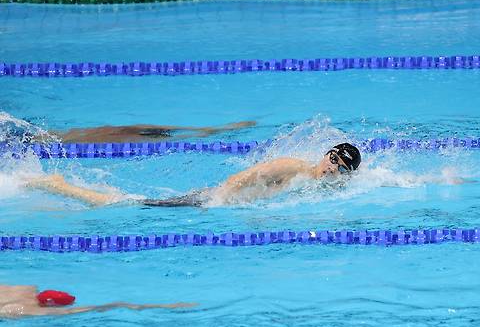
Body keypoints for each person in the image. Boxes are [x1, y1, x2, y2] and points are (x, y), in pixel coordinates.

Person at [26, 143, 364, 207]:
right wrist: (218, 201)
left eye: (340, 167)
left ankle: (58, 197)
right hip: (210, 201)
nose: (331, 166)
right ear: (325, 153)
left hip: (218, 204)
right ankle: (59, 186)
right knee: (123, 205)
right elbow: (246, 176)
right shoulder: (294, 166)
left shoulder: (315, 186)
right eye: (332, 158)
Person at [0, 285, 194, 318]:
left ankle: (164, 307)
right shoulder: (18, 292)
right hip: (24, 301)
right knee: (116, 305)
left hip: (18, 307)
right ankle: (165, 306)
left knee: (116, 305)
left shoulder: (14, 307)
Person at [39, 121, 257, 144]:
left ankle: (203, 132)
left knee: (127, 132)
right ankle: (203, 132)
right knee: (128, 132)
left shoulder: (41, 139)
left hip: (93, 135)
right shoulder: (43, 138)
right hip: (90, 134)